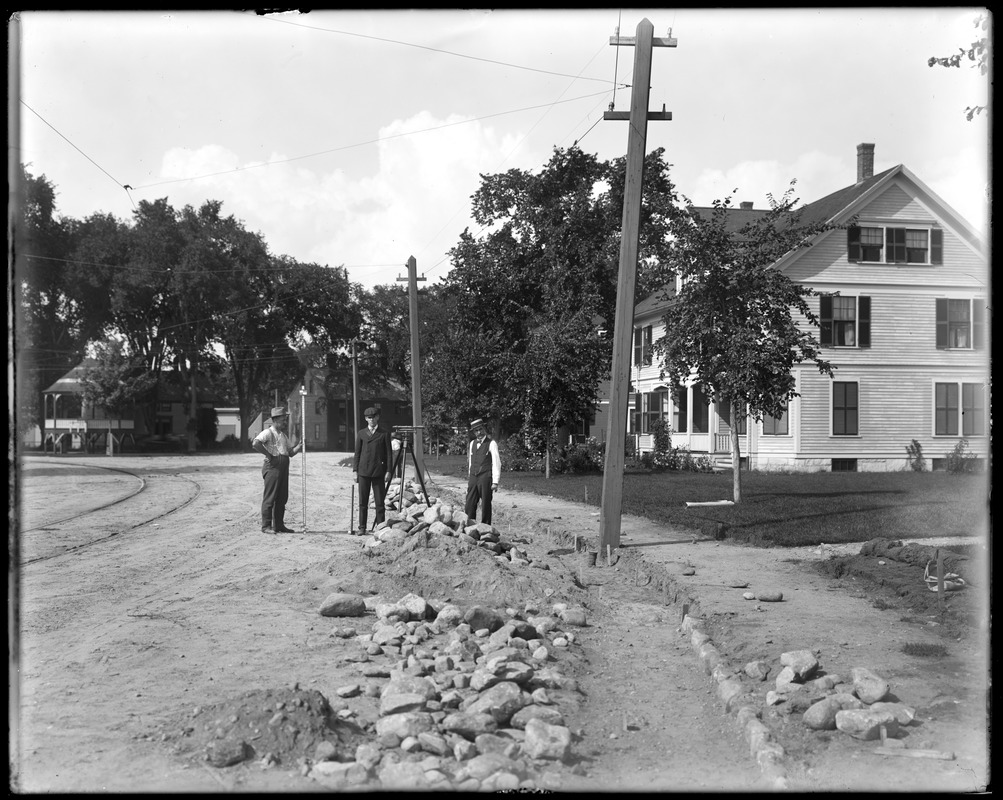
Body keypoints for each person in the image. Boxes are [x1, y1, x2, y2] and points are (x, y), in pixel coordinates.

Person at [251, 406, 302, 534]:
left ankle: (279, 525)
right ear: (275, 419)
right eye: (283, 419)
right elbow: (255, 443)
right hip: (273, 467)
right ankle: (266, 526)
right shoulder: (268, 432)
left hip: (284, 466)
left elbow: (290, 453)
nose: (285, 421)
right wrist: (269, 455)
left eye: (285, 419)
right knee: (270, 497)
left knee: (282, 497)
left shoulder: (283, 435)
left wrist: (301, 446)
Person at [353, 406, 393, 535]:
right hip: (363, 471)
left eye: (374, 417)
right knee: (362, 502)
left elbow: (389, 454)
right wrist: (355, 470)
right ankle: (362, 527)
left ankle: (381, 528)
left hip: (378, 472)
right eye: (369, 418)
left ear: (378, 418)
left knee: (380, 502)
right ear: (366, 419)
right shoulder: (361, 433)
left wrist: (388, 470)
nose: (372, 420)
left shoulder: (384, 433)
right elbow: (357, 453)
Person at [465, 417, 501, 524]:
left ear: (484, 428)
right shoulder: (472, 444)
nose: (479, 432)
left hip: (485, 476)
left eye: (480, 429)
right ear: (473, 432)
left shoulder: (491, 443)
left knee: (485, 502)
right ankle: (470, 525)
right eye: (476, 430)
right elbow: (471, 461)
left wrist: (495, 481)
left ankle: (486, 527)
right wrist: (470, 476)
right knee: (470, 502)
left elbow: (496, 462)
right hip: (473, 476)